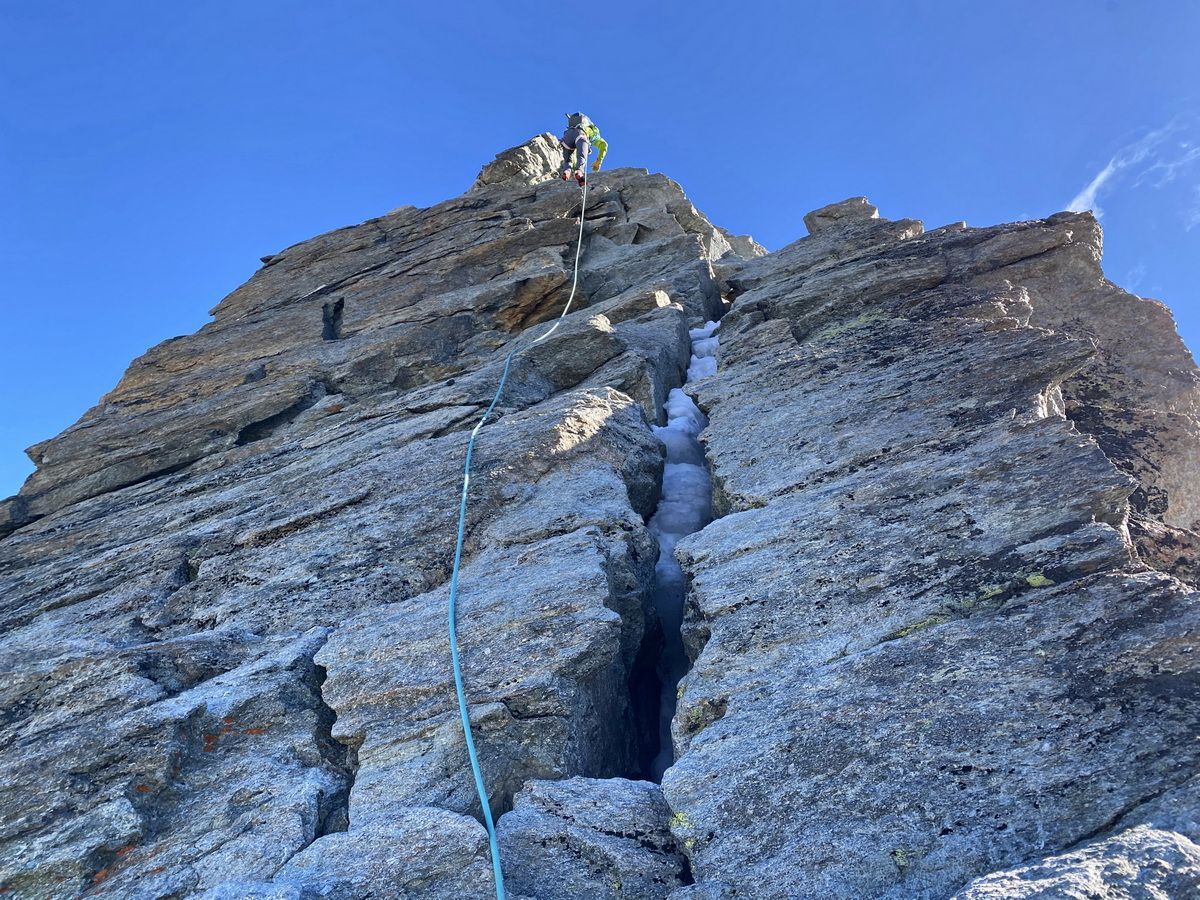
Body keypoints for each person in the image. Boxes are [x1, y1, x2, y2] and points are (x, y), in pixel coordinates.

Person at [559, 112, 608, 185]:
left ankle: (567, 172)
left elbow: (574, 155)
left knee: (568, 160)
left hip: (567, 137)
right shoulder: (593, 132)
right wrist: (599, 161)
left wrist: (573, 167)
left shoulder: (572, 126)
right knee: (582, 156)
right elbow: (604, 145)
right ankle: (579, 171)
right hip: (580, 134)